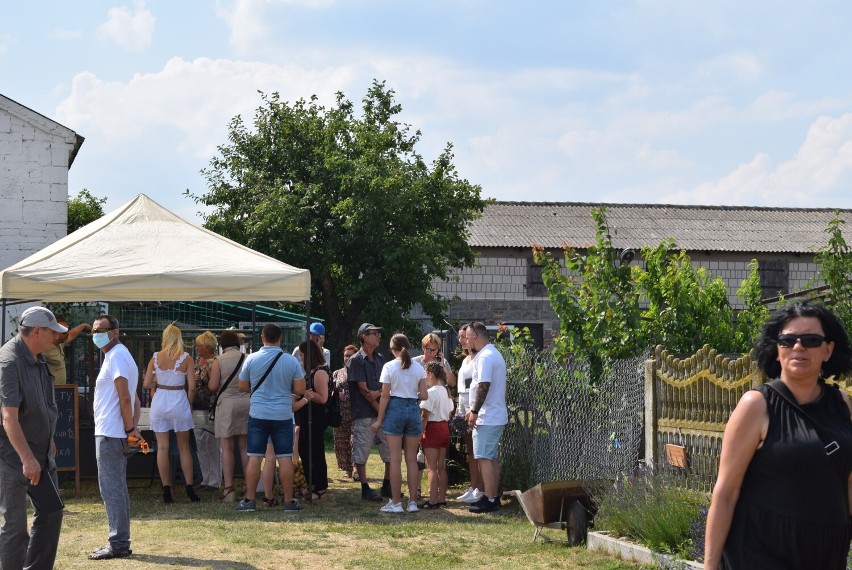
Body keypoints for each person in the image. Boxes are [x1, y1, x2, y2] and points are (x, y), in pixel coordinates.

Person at [704, 303, 852, 569]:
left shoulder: (842, 405)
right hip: (762, 552)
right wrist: (710, 565)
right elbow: (725, 493)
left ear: (827, 350)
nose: (798, 347)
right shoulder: (756, 405)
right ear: (777, 348)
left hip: (826, 554)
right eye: (788, 340)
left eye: (811, 340)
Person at [0, 306, 66, 567]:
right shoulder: (8, 362)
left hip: (39, 453)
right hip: (11, 457)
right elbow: (9, 418)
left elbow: (43, 404)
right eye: (52, 332)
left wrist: (48, 439)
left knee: (52, 511)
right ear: (37, 331)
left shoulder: (38, 357)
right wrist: (27, 459)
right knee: (15, 528)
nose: (56, 337)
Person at [88, 313, 142, 560]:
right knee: (116, 488)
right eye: (94, 330)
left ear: (115, 332)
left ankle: (118, 543)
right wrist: (132, 429)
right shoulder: (118, 355)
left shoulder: (117, 355)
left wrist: (130, 429)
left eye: (101, 329)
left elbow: (126, 397)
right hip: (114, 432)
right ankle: (120, 541)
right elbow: (134, 397)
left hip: (111, 433)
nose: (96, 334)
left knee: (111, 490)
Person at [236, 324, 306, 513]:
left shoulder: (251, 358)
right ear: (281, 338)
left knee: (255, 457)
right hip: (282, 415)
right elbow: (300, 389)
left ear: (262, 337)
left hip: (258, 414)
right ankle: (289, 502)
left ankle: (249, 500)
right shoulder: (291, 361)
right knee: (284, 458)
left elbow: (242, 386)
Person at [371, 333, 427, 513]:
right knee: (411, 459)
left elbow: (385, 395)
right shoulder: (418, 367)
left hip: (394, 409)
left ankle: (396, 503)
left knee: (395, 459)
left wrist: (379, 420)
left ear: (393, 349)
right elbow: (424, 395)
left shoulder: (389, 366)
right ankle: (412, 502)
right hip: (412, 409)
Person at [143, 324, 199, 503]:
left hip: (160, 401)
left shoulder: (155, 357)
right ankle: (189, 488)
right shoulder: (186, 358)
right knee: (184, 448)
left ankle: (166, 488)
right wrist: (188, 405)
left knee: (162, 447)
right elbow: (192, 387)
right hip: (179, 400)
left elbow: (145, 384)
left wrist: (157, 384)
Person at [466, 321, 508, 513]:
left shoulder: (485, 357)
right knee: (490, 458)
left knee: (484, 457)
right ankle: (492, 496)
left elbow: (484, 385)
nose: (466, 342)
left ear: (476, 337)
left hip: (487, 416)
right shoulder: (492, 354)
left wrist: (474, 411)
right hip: (493, 414)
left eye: (468, 338)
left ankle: (490, 498)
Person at [349, 323, 391, 501]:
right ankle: (365, 487)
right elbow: (364, 391)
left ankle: (387, 485)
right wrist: (381, 412)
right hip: (365, 414)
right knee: (361, 451)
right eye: (375, 334)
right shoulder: (356, 360)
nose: (378, 337)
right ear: (364, 337)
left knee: (388, 450)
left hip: (380, 412)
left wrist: (380, 393)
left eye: (379, 334)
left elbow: (386, 386)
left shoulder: (380, 358)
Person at [208, 329, 249, 502]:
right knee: (244, 446)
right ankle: (249, 485)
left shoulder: (219, 360)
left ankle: (229, 488)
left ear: (222, 344)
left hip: (226, 405)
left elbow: (213, 386)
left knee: (227, 447)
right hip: (246, 402)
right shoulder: (246, 358)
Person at [292, 339, 330, 499]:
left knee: (315, 452)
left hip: (315, 419)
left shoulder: (319, 373)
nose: (300, 358)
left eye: (302, 354)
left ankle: (320, 487)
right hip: (306, 418)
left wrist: (307, 395)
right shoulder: (310, 372)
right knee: (304, 450)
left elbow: (323, 398)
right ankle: (311, 483)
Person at [419, 362, 455, 508]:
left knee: (431, 467)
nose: (425, 378)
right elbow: (450, 412)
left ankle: (432, 500)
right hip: (444, 427)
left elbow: (425, 415)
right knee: (441, 466)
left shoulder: (431, 392)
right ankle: (441, 498)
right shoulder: (446, 392)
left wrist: (421, 432)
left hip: (433, 428)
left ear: (431, 375)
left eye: (426, 374)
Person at [455, 324, 483, 504]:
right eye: (459, 337)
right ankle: (474, 486)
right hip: (463, 406)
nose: (461, 340)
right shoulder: (465, 360)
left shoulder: (478, 359)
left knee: (478, 450)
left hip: (473, 408)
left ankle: (481, 488)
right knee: (470, 451)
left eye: (464, 336)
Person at [192, 331, 221, 492]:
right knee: (201, 444)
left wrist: (207, 368)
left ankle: (215, 480)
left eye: (199, 345)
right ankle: (206, 478)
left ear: (207, 346)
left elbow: (215, 385)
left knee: (212, 445)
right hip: (197, 407)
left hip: (210, 408)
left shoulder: (215, 362)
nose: (196, 348)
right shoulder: (198, 362)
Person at [332, 344, 358, 478]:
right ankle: (348, 469)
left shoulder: (360, 372)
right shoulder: (337, 373)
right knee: (342, 443)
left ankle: (356, 469)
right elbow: (330, 390)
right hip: (340, 414)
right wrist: (336, 393)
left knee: (355, 441)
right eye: (346, 355)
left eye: (350, 355)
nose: (347, 357)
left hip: (356, 413)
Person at [42, 316, 90, 385]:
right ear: (53, 332)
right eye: (63, 331)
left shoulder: (60, 343)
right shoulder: (43, 347)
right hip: (48, 392)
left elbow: (71, 334)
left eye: (67, 330)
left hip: (60, 392)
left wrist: (83, 326)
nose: (67, 333)